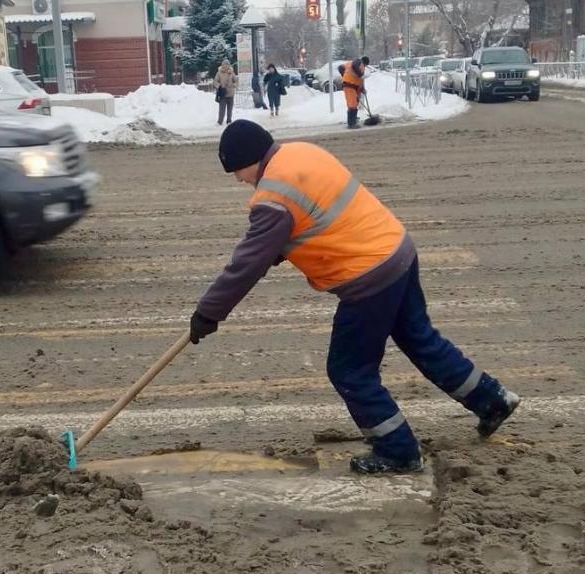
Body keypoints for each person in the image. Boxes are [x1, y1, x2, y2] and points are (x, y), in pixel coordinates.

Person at [188, 120, 522, 475]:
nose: (239, 179)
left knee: (349, 369)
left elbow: (245, 264)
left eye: (236, 169)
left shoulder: (273, 196)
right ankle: (492, 400)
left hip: (368, 277)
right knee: (420, 338)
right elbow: (318, 217)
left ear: (250, 157)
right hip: (397, 251)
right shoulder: (301, 153)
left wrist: (209, 313)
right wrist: (277, 249)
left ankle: (397, 451)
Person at [340, 56, 369, 129]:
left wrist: (362, 90)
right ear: (365, 63)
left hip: (352, 86)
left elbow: (340, 68)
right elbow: (354, 66)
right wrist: (359, 74)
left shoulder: (351, 64)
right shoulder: (358, 62)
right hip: (349, 85)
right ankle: (351, 124)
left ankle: (353, 120)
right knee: (352, 104)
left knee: (353, 104)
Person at [214, 59, 237, 126]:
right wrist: (219, 86)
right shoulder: (219, 73)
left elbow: (236, 81)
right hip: (223, 94)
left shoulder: (232, 73)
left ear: (229, 65)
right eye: (224, 64)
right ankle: (220, 121)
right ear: (222, 65)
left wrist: (233, 85)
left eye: (227, 64)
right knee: (222, 109)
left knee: (230, 109)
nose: (226, 66)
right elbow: (215, 81)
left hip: (230, 93)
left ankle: (229, 121)